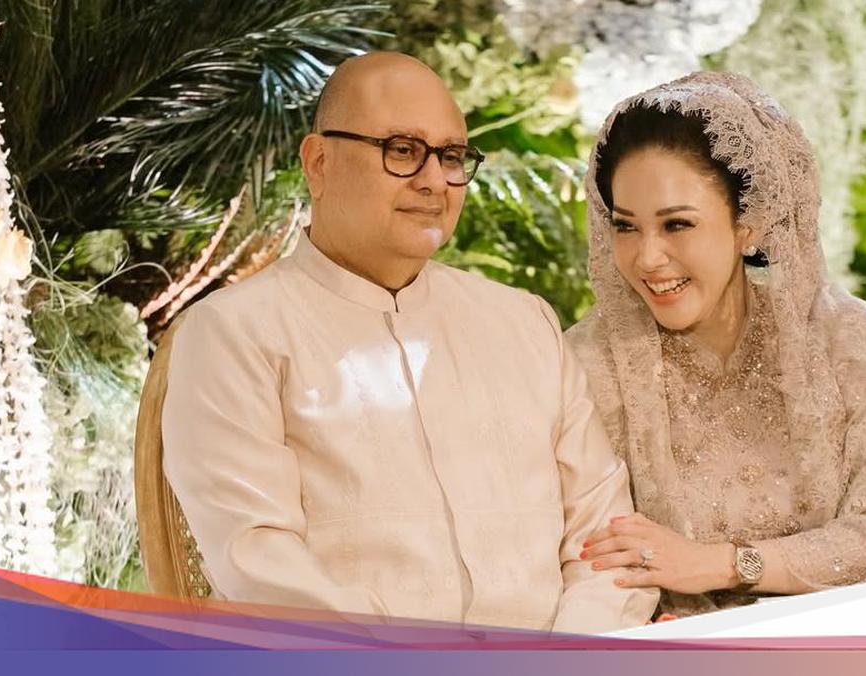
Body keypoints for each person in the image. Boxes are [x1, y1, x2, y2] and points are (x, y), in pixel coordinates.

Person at [160, 52, 657, 633]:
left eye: (451, 156)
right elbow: (258, 563)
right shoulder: (234, 333)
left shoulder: (525, 323)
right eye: (401, 150)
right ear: (318, 162)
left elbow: (608, 543)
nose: (433, 181)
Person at [567, 72, 866, 618]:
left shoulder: (846, 345)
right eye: (626, 227)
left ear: (749, 224)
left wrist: (723, 564)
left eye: (677, 225)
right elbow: (584, 554)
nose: (646, 258)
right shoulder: (588, 366)